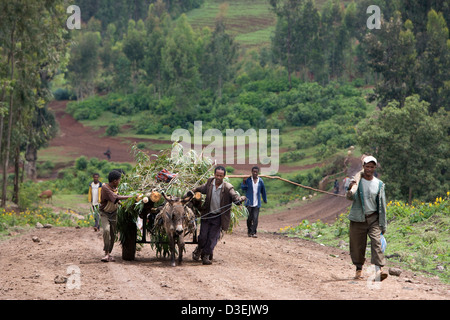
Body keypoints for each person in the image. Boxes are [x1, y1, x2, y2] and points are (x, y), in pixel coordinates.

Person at [188, 166, 245, 265]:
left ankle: (205, 256)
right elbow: (200, 189)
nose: (218, 177)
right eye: (217, 175)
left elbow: (234, 197)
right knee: (202, 237)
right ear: (214, 175)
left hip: (219, 217)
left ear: (224, 176)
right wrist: (190, 193)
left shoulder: (227, 187)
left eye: (221, 176)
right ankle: (199, 249)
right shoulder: (210, 183)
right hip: (207, 215)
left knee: (212, 238)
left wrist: (239, 199)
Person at [346, 156, 388, 281]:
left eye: (372, 167)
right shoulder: (357, 182)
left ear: (375, 168)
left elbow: (382, 205)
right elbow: (349, 197)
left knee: (377, 242)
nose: (369, 169)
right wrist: (350, 188)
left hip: (373, 218)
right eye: (367, 166)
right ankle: (359, 269)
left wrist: (383, 224)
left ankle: (379, 270)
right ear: (363, 167)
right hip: (358, 218)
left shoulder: (379, 184)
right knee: (357, 245)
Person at [99, 170, 132, 262]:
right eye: (119, 180)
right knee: (106, 230)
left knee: (113, 234)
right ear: (114, 181)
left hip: (114, 213)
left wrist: (124, 205)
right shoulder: (105, 187)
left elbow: (116, 199)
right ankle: (106, 253)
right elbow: (116, 197)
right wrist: (132, 197)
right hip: (105, 213)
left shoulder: (114, 188)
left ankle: (109, 253)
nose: (119, 182)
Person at [241, 166, 267, 238]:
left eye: (256, 172)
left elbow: (263, 191)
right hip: (249, 202)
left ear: (258, 173)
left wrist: (265, 199)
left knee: (255, 218)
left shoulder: (260, 181)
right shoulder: (248, 180)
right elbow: (243, 188)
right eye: (254, 172)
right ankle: (249, 231)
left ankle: (254, 232)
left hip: (257, 203)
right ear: (251, 172)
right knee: (249, 218)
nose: (255, 173)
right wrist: (243, 181)